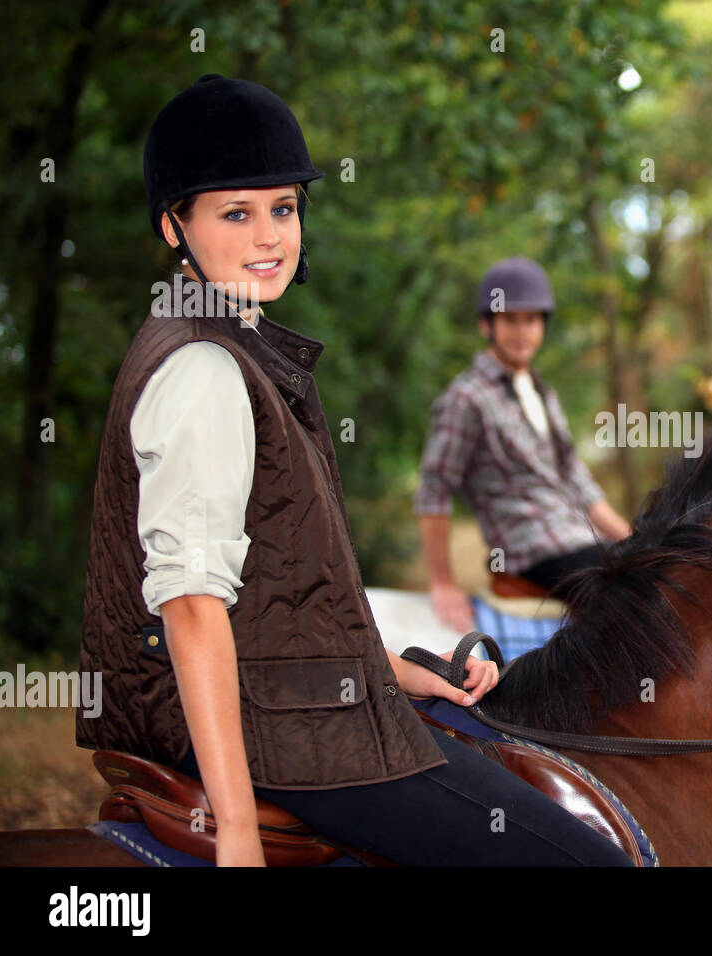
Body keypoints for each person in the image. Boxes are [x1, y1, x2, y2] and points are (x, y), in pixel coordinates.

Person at [74, 74, 632, 867]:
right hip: (280, 735)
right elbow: (193, 606)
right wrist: (237, 835)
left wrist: (394, 670)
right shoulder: (202, 367)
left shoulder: (240, 345)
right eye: (236, 212)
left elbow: (284, 592)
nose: (270, 236)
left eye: (284, 208)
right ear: (174, 226)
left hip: (298, 704)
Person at [416, 257, 632, 634]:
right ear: (487, 324)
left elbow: (578, 481)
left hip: (577, 536)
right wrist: (442, 583)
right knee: (625, 599)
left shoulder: (542, 392)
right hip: (529, 548)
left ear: (542, 326)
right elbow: (434, 491)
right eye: (510, 319)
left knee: (660, 572)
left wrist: (633, 539)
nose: (522, 331)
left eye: (531, 319)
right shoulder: (466, 398)